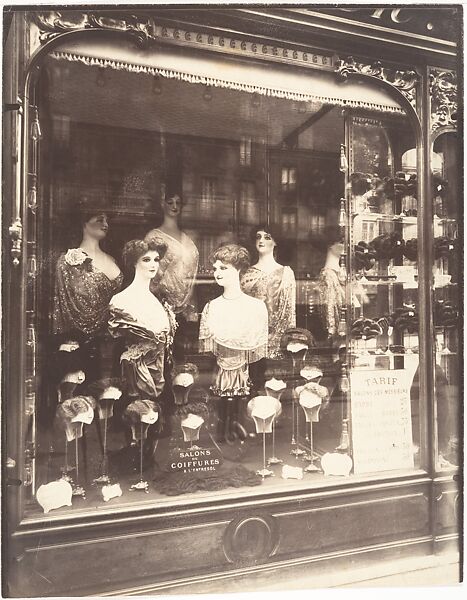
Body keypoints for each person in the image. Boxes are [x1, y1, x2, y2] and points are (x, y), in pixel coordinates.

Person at [199, 244, 268, 441]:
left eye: (223, 268)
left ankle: (237, 429)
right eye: (215, 268)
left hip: (245, 370)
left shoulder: (255, 307)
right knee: (223, 402)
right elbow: (209, 349)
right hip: (221, 368)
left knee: (239, 401)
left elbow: (257, 344)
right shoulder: (212, 307)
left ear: (238, 270)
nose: (217, 273)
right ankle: (223, 432)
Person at [52, 204, 123, 382]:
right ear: (84, 223)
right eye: (99, 220)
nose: (105, 223)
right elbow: (67, 306)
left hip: (112, 340)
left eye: (107, 220)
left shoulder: (112, 259)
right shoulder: (68, 262)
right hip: (84, 342)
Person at [108, 239, 177, 405]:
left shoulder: (158, 300)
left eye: (156, 260)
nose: (153, 264)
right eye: (146, 260)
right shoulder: (121, 300)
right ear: (134, 263)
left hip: (160, 374)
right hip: (136, 377)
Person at [241, 224, 296, 359]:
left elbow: (290, 310)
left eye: (267, 237)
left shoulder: (286, 273)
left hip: (278, 338)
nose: (261, 241)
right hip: (252, 337)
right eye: (258, 237)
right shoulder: (247, 273)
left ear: (275, 242)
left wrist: (289, 338)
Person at [145, 192, 199, 322]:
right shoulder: (154, 237)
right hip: (163, 305)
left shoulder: (187, 237)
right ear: (162, 205)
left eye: (178, 203)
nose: (174, 206)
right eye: (170, 202)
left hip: (189, 303)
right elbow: (148, 274)